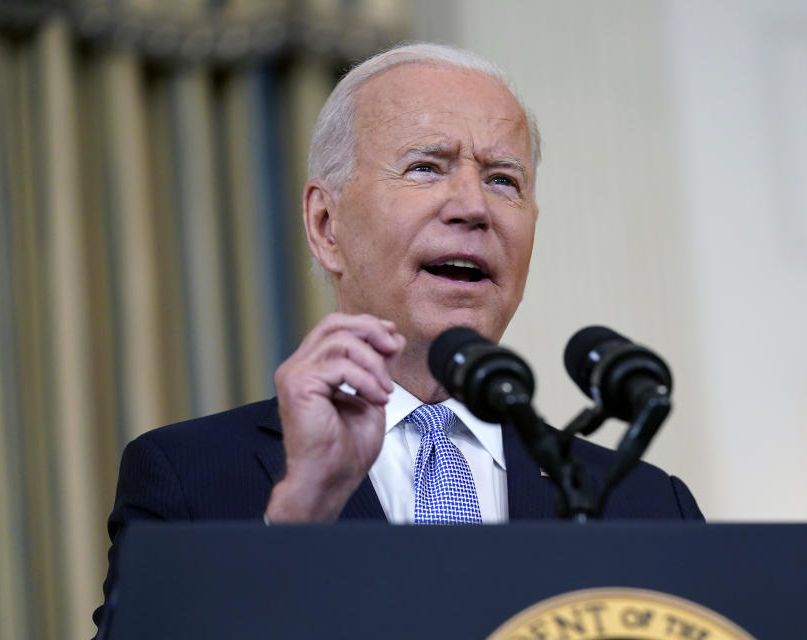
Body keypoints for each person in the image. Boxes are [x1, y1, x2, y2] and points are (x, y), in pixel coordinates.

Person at [93, 42, 703, 632]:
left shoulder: (644, 505)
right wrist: (295, 523)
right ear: (326, 225)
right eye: (425, 167)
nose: (473, 206)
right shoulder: (188, 478)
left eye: (503, 180)